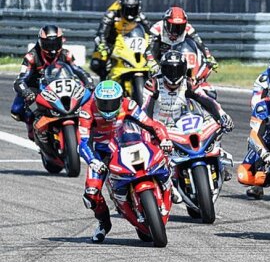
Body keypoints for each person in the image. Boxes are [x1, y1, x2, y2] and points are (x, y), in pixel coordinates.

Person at [77, 80, 172, 243]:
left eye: (112, 103)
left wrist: (164, 139)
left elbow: (151, 124)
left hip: (130, 142)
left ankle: (169, 185)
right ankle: (103, 224)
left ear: (120, 99)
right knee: (91, 194)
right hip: (102, 153)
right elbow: (83, 141)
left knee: (162, 158)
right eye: (103, 103)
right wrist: (92, 160)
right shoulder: (87, 110)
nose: (107, 107)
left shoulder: (129, 105)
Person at [11, 25, 92, 138]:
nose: (52, 48)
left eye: (55, 44)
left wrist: (89, 82)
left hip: (63, 85)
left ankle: (88, 127)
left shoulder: (66, 54)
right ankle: (32, 124)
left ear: (61, 41)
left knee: (89, 96)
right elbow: (20, 81)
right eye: (48, 44)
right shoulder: (31, 57)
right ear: (40, 42)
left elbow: (79, 71)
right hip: (37, 88)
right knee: (16, 111)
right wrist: (26, 92)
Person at [143, 50, 233, 131]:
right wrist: (150, 130)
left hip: (182, 129)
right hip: (158, 129)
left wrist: (222, 115)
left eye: (178, 70)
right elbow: (145, 111)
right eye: (169, 70)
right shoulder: (153, 85)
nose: (174, 74)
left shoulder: (189, 83)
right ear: (162, 70)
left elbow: (208, 101)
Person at [90, 0, 153, 79]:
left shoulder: (140, 16)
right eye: (127, 10)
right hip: (112, 41)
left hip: (131, 40)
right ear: (121, 7)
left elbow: (151, 32)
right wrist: (104, 47)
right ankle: (104, 85)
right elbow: (102, 33)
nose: (130, 14)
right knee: (97, 63)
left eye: (133, 10)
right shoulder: (111, 14)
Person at [147, 6, 218, 69]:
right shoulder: (157, 28)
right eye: (173, 26)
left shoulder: (188, 28)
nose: (176, 31)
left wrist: (209, 57)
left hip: (180, 55)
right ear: (165, 23)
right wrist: (151, 60)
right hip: (160, 55)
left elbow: (200, 44)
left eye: (180, 27)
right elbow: (149, 47)